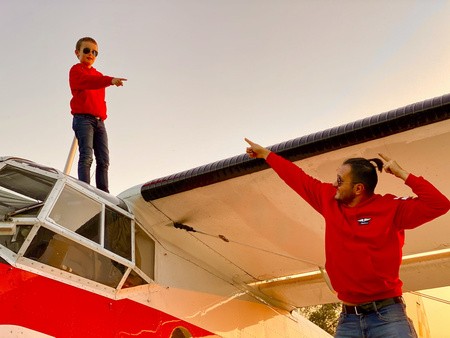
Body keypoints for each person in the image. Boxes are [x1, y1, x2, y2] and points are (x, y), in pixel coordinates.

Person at [244, 138, 450, 337]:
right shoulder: (329, 199)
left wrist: (403, 174)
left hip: (388, 315)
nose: (334, 184)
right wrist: (267, 155)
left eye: (340, 181)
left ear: (359, 188)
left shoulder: (392, 208)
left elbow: (440, 204)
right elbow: (298, 178)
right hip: (348, 319)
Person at [69, 37, 126, 193]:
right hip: (83, 120)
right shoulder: (76, 71)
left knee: (104, 160)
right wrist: (109, 80)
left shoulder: (98, 76)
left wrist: (102, 114)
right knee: (86, 156)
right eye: (86, 50)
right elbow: (89, 81)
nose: (91, 54)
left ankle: (103, 193)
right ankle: (85, 190)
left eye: (95, 52)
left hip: (99, 122)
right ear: (77, 52)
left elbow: (98, 93)